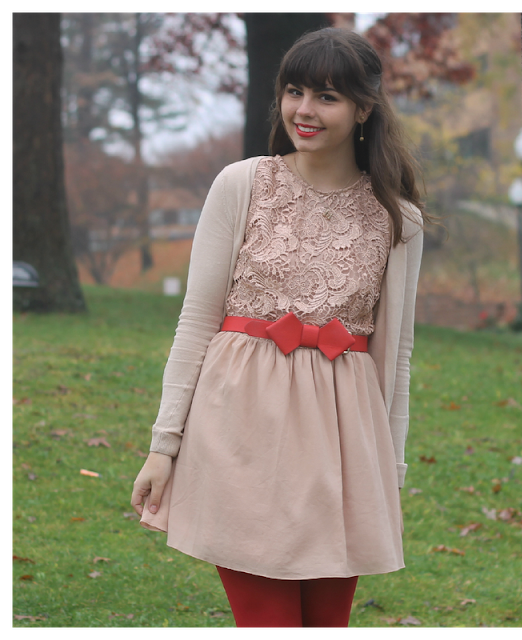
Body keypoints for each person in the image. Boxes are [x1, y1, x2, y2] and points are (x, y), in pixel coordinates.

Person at [131, 27, 427, 630]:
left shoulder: (397, 217)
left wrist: (387, 469)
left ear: (363, 108)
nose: (304, 110)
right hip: (241, 430)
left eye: (326, 96)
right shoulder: (242, 184)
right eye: (295, 91)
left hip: (342, 447)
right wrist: (164, 445)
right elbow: (197, 320)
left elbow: (395, 353)